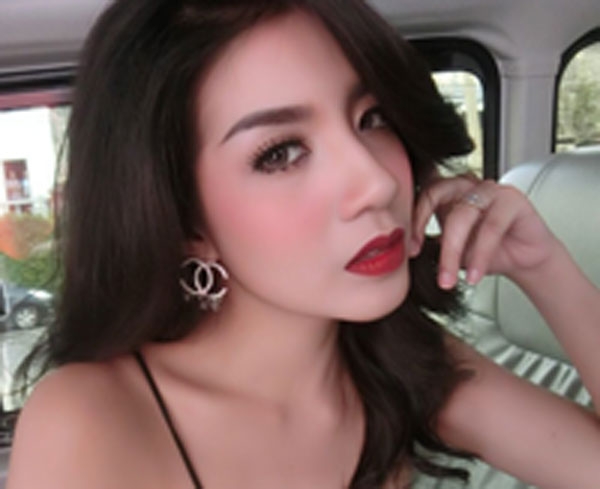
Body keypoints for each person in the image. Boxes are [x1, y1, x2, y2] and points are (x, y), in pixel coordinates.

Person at [6, 0, 600, 488]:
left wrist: (544, 267)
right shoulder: (91, 422)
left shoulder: (403, 366)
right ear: (186, 221)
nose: (377, 182)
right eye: (280, 153)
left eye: (371, 118)